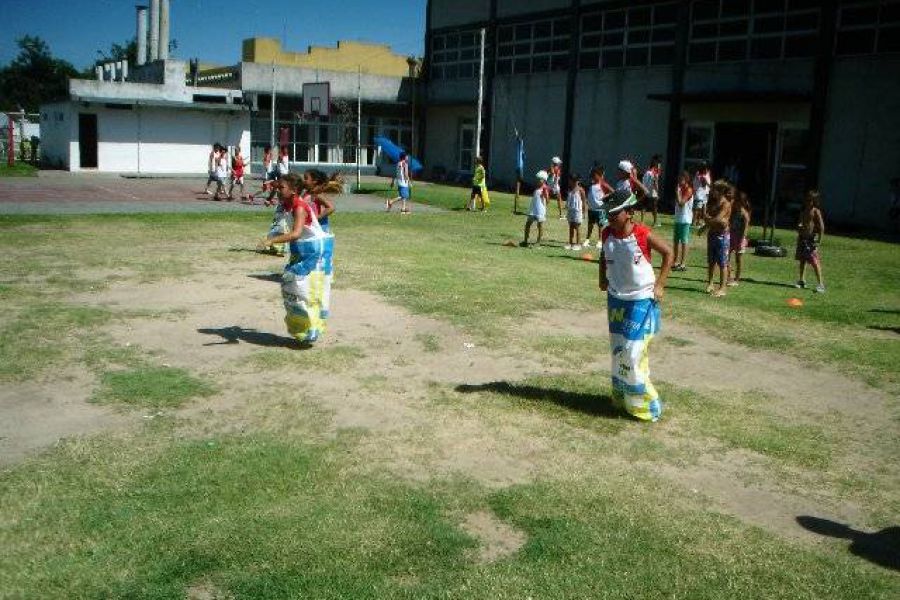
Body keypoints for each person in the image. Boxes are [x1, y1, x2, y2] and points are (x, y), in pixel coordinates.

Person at [599, 185, 673, 422]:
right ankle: (622, 399)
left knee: (633, 352)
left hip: (641, 300)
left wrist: (660, 284)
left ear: (629, 212)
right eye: (608, 214)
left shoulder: (642, 234)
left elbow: (668, 253)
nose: (609, 218)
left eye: (614, 214)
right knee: (619, 351)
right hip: (616, 299)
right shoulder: (606, 233)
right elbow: (604, 256)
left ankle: (647, 405)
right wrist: (602, 277)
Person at [260, 173, 336, 345]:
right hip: (302, 250)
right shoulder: (288, 203)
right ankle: (304, 328)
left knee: (305, 289)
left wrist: (271, 240)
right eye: (277, 187)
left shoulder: (299, 206)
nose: (278, 191)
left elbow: (296, 233)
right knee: (293, 287)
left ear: (294, 190)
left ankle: (311, 329)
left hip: (315, 251)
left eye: (281, 188)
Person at [703, 181, 733, 297]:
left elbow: (718, 219)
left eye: (714, 189)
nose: (711, 191)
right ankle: (710, 283)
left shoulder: (726, 204)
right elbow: (715, 220)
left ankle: (722, 288)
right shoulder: (714, 203)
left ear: (720, 191)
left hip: (722, 236)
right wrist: (707, 223)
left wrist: (708, 219)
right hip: (712, 234)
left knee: (722, 263)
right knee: (711, 261)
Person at [795, 189, 826, 293]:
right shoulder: (803, 210)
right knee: (802, 260)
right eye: (806, 199)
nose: (807, 201)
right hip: (802, 239)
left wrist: (819, 241)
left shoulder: (816, 211)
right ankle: (802, 280)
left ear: (814, 201)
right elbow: (800, 222)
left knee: (814, 262)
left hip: (811, 240)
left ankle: (821, 284)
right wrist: (799, 226)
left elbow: (821, 227)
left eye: (810, 200)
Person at [584, 166, 614, 248]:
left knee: (600, 226)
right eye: (592, 176)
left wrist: (606, 196)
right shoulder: (591, 184)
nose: (592, 177)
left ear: (599, 175)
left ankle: (600, 241)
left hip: (601, 209)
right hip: (591, 209)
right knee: (590, 225)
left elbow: (613, 192)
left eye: (594, 175)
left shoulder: (603, 184)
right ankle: (587, 240)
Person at [727, 191, 751, 286]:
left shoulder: (744, 214)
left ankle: (737, 279)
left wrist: (742, 239)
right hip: (732, 236)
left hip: (740, 238)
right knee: (726, 256)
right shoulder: (734, 212)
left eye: (736, 201)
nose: (734, 203)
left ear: (741, 203)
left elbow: (745, 228)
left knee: (738, 259)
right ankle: (729, 275)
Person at [672, 170, 694, 271]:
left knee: (684, 241)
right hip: (678, 218)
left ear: (686, 180)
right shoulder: (680, 189)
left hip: (685, 219)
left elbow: (681, 203)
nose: (680, 181)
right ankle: (675, 261)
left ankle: (683, 263)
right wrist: (678, 192)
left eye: (682, 179)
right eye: (679, 179)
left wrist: (677, 192)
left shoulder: (689, 190)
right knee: (676, 241)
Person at [521, 170, 549, 247]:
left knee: (539, 225)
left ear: (544, 180)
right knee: (528, 224)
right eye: (537, 179)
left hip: (540, 210)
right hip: (533, 209)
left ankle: (538, 242)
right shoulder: (537, 188)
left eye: (539, 179)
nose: (537, 181)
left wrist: (544, 195)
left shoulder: (545, 188)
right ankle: (525, 240)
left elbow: (548, 200)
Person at [565, 173, 586, 251]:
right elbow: (569, 200)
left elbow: (584, 202)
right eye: (570, 181)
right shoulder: (570, 190)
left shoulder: (581, 190)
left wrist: (584, 213)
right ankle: (570, 243)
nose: (571, 182)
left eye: (573, 181)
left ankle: (578, 244)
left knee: (577, 227)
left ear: (577, 181)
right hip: (571, 210)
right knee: (571, 227)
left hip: (578, 211)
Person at [640, 154, 662, 226]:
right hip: (653, 193)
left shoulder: (646, 173)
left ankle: (642, 221)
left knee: (644, 206)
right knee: (654, 208)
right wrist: (657, 193)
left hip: (646, 191)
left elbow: (643, 182)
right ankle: (655, 222)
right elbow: (655, 183)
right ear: (655, 167)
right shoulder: (654, 174)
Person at [692, 162, 711, 226]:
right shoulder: (701, 176)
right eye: (705, 169)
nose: (706, 170)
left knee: (697, 209)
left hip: (699, 194)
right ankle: (695, 221)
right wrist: (706, 182)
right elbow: (703, 185)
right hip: (699, 194)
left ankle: (696, 221)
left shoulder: (698, 174)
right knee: (697, 209)